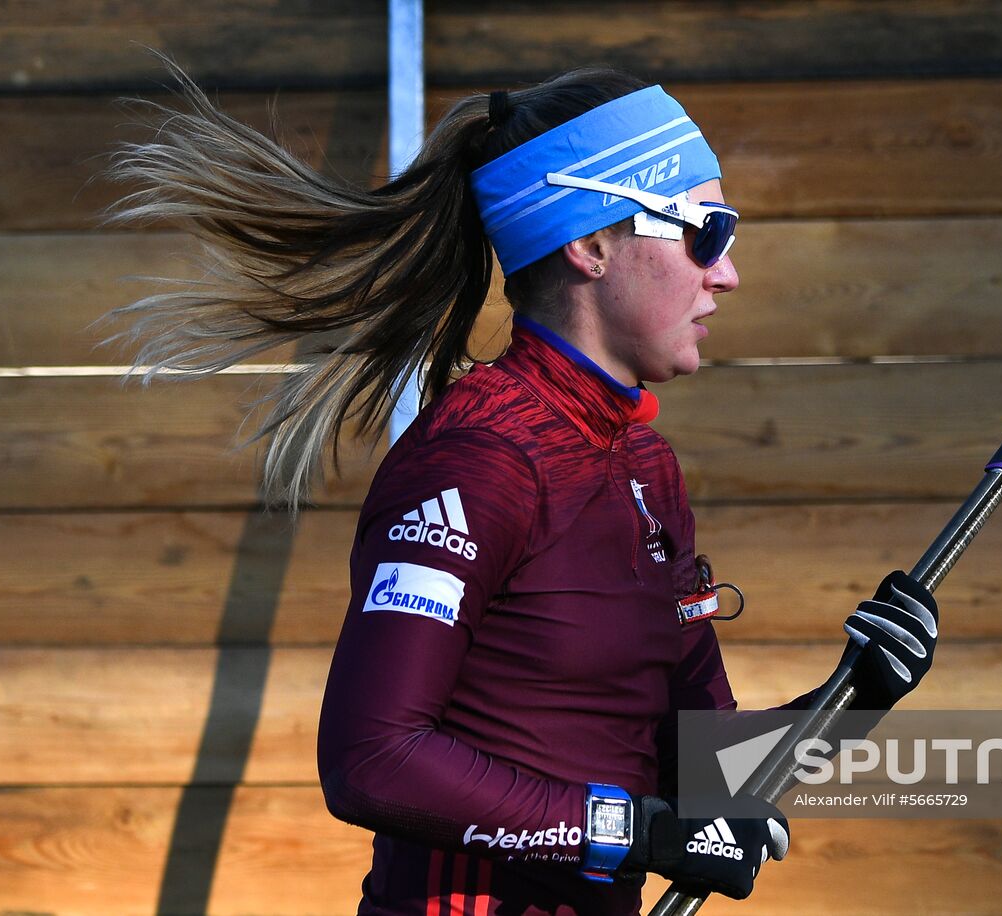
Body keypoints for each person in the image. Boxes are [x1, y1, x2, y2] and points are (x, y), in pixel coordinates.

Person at [104, 62, 940, 916]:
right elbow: (370, 758)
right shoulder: (478, 460)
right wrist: (629, 833)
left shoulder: (646, 467)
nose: (726, 273)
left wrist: (852, 699)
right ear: (590, 245)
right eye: (706, 231)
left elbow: (698, 769)